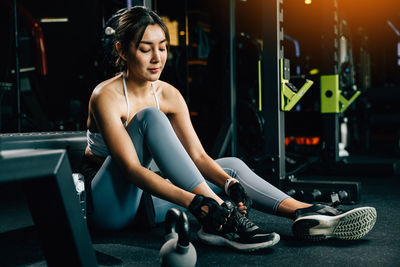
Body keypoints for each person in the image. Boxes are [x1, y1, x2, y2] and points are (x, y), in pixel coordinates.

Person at [79, 6, 377, 252]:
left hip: (146, 203)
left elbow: (197, 156)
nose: (157, 58)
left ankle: (303, 211)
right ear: (122, 50)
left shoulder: (168, 94)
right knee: (150, 119)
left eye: (162, 47)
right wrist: (200, 203)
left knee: (230, 167)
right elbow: (131, 169)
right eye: (146, 49)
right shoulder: (106, 95)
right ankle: (224, 218)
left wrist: (227, 185)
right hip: (108, 207)